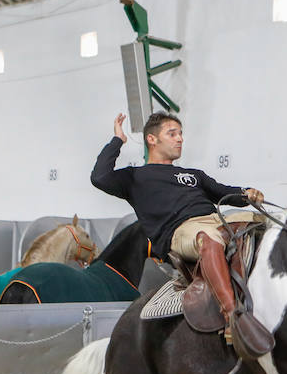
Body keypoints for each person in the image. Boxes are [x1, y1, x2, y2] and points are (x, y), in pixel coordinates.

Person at [91, 111, 272, 357]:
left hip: (218, 220)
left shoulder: (194, 175)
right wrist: (118, 141)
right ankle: (232, 316)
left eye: (181, 134)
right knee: (210, 238)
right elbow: (99, 177)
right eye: (172, 133)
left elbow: (224, 192)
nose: (180, 139)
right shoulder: (134, 177)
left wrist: (247, 193)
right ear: (151, 140)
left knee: (269, 225)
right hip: (182, 231)